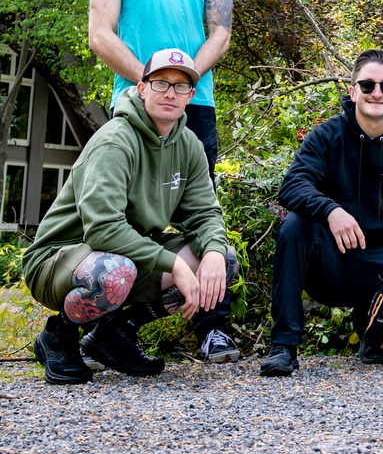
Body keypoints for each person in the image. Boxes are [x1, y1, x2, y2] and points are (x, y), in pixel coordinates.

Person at [88, 0, 238, 359]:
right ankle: (99, 326)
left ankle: (212, 328)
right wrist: (153, 84)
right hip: (132, 104)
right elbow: (99, 33)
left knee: (202, 214)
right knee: (123, 220)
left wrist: (184, 84)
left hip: (198, 106)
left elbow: (220, 31)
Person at [22, 50, 239, 386]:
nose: (170, 93)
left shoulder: (189, 146)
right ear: (141, 88)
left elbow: (204, 213)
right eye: (161, 83)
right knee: (115, 272)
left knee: (222, 259)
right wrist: (176, 265)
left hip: (126, 256)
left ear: (191, 96)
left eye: (181, 86)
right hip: (60, 258)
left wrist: (211, 251)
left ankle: (116, 331)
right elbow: (103, 228)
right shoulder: (115, 141)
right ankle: (58, 337)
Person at [260, 48, 383, 376]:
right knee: (295, 226)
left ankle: (374, 329)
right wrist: (330, 210)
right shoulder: (327, 137)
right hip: (331, 264)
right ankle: (284, 346)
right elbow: (292, 186)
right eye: (367, 86)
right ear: (353, 92)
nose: (377, 93)